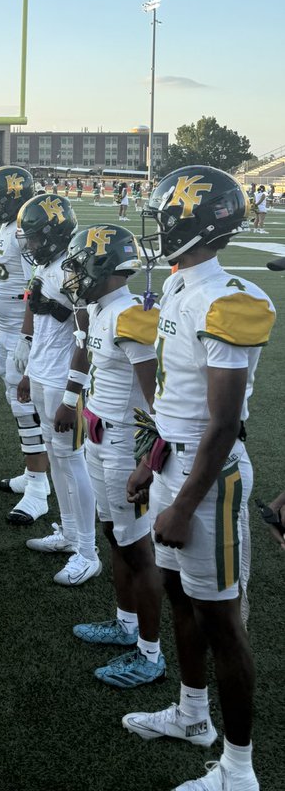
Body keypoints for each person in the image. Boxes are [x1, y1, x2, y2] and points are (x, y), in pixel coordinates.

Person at [123, 166, 275, 791]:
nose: (160, 222)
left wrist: (184, 503)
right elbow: (174, 402)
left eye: (170, 213)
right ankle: (191, 716)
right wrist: (149, 459)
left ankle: (239, 771)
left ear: (197, 219)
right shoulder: (186, 286)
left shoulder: (228, 298)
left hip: (207, 478)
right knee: (179, 594)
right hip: (172, 461)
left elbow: (221, 422)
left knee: (222, 621)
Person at [60, 224, 165, 687]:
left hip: (126, 443)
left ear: (102, 268)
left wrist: (150, 462)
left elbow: (159, 400)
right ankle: (125, 625)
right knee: (113, 534)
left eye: (81, 266)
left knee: (137, 547)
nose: (74, 275)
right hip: (100, 437)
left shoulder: (132, 315)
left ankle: (150, 652)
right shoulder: (102, 310)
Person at [14, 193, 101, 586]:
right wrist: (29, 371)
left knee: (72, 461)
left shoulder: (73, 268)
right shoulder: (50, 264)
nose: (29, 244)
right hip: (45, 375)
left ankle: (88, 551)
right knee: (56, 456)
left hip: (66, 381)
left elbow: (86, 338)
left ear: (51, 233)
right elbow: (47, 330)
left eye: (33, 236)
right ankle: (68, 533)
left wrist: (71, 395)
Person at [0, 165, 53, 525]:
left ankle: (39, 487)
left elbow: (34, 289)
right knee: (19, 406)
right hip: (8, 329)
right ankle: (32, 472)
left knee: (25, 407)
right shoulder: (12, 227)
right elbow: (7, 278)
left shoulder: (26, 231)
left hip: (22, 333)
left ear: (13, 197)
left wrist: (26, 336)